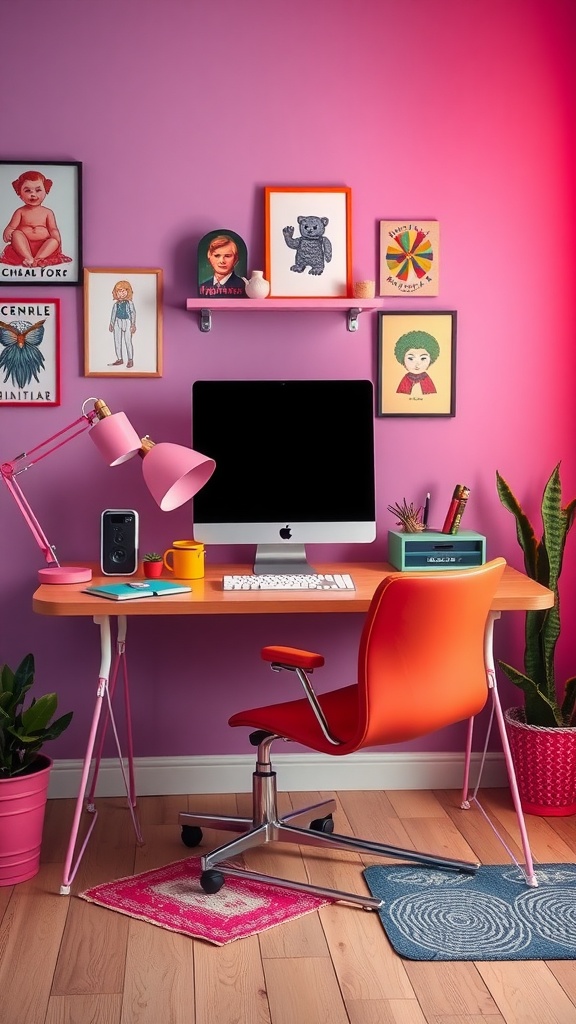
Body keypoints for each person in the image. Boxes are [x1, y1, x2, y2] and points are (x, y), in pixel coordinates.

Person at [1, 170, 72, 267]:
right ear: (19, 193)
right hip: (23, 247)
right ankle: (28, 258)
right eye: (27, 191)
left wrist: (56, 239)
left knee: (54, 241)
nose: (33, 194)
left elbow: (53, 229)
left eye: (38, 190)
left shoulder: (48, 212)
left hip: (43, 247)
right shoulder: (20, 212)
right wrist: (8, 230)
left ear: (46, 191)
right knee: (16, 233)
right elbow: (11, 226)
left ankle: (38, 259)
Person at [394, 329, 440, 399]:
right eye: (411, 358)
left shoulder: (427, 381)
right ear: (402, 359)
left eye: (423, 358)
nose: (417, 364)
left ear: (430, 360)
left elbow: (432, 397)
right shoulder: (405, 381)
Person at [109, 280, 136, 368]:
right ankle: (119, 359)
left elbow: (132, 313)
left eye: (123, 291)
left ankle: (130, 359)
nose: (121, 293)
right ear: (116, 293)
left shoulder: (129, 303)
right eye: (119, 291)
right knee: (117, 341)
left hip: (127, 321)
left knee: (128, 341)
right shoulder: (116, 304)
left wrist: (133, 324)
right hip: (117, 321)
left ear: (128, 292)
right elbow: (113, 314)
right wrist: (111, 324)